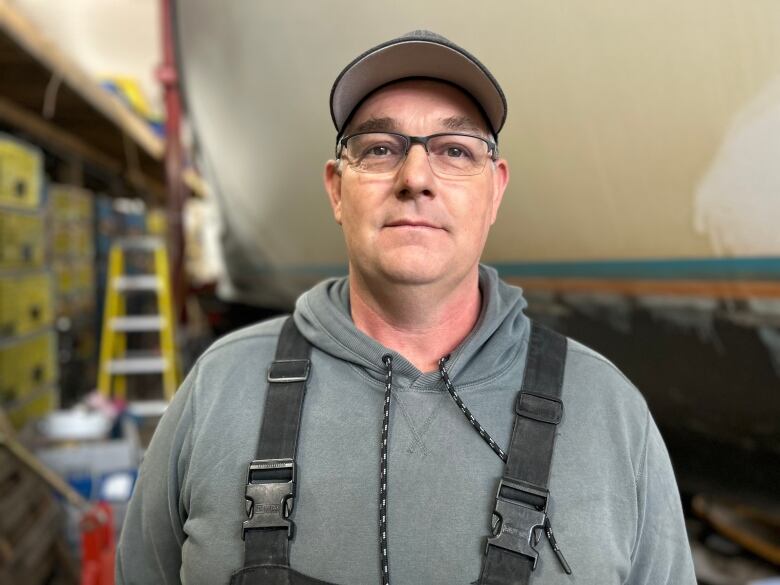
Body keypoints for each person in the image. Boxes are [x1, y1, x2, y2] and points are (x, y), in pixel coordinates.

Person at [116, 30, 696, 585]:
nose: (415, 177)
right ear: (337, 190)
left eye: (454, 149)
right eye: (379, 148)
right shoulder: (221, 388)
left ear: (494, 190)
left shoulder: (609, 411)